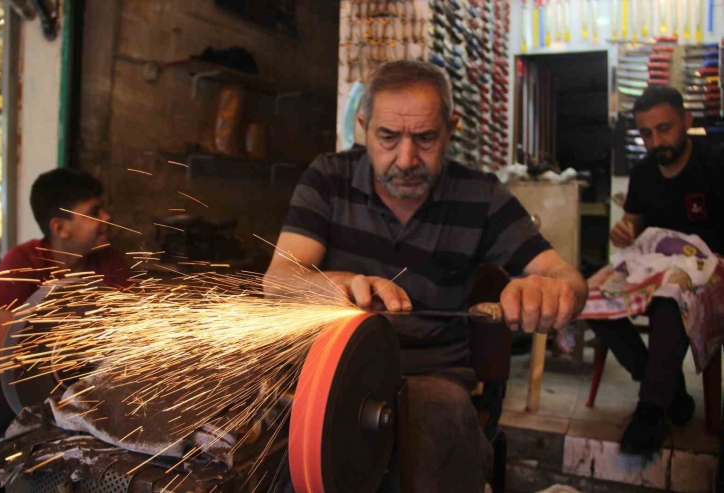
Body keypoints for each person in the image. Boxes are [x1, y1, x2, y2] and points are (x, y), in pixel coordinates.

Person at [264, 60, 587, 492]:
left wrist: (553, 291)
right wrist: (335, 283)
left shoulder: (481, 196)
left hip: (431, 378)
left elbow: (567, 277)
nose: (406, 159)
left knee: (433, 424)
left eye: (425, 138)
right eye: (388, 137)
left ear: (451, 127)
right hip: (333, 368)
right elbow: (279, 280)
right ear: (363, 125)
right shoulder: (328, 178)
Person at [593, 86, 724, 456]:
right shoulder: (644, 172)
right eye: (647, 133)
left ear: (686, 121)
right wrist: (622, 231)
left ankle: (650, 410)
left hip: (708, 272)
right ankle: (672, 392)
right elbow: (632, 227)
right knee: (592, 299)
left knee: (669, 297)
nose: (656, 141)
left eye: (664, 129)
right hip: (656, 268)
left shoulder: (714, 164)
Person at [0, 168, 130, 353]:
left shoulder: (112, 262)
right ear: (60, 228)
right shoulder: (20, 264)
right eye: (94, 212)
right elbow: (6, 353)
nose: (107, 217)